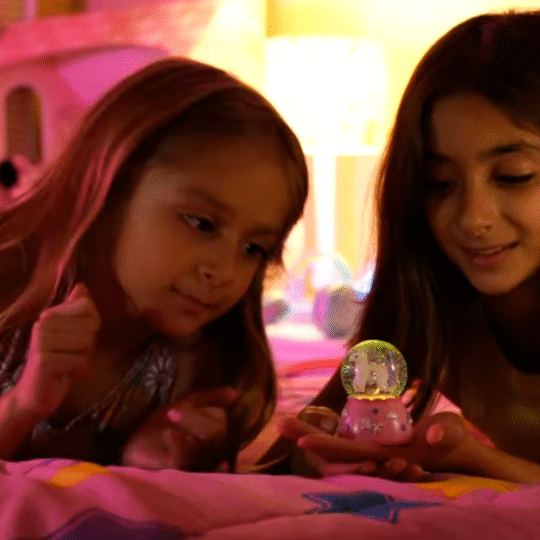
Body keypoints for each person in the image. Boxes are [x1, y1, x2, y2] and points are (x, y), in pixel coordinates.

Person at [265, 9, 540, 483]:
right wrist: (312, 455)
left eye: (514, 176)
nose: (473, 218)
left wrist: (477, 461)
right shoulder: (436, 308)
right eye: (439, 183)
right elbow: (273, 468)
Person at [0, 57, 308, 471]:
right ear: (113, 182)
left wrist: (148, 464)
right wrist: (21, 405)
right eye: (201, 224)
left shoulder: (195, 366)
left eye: (254, 248)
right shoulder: (9, 287)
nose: (224, 272)